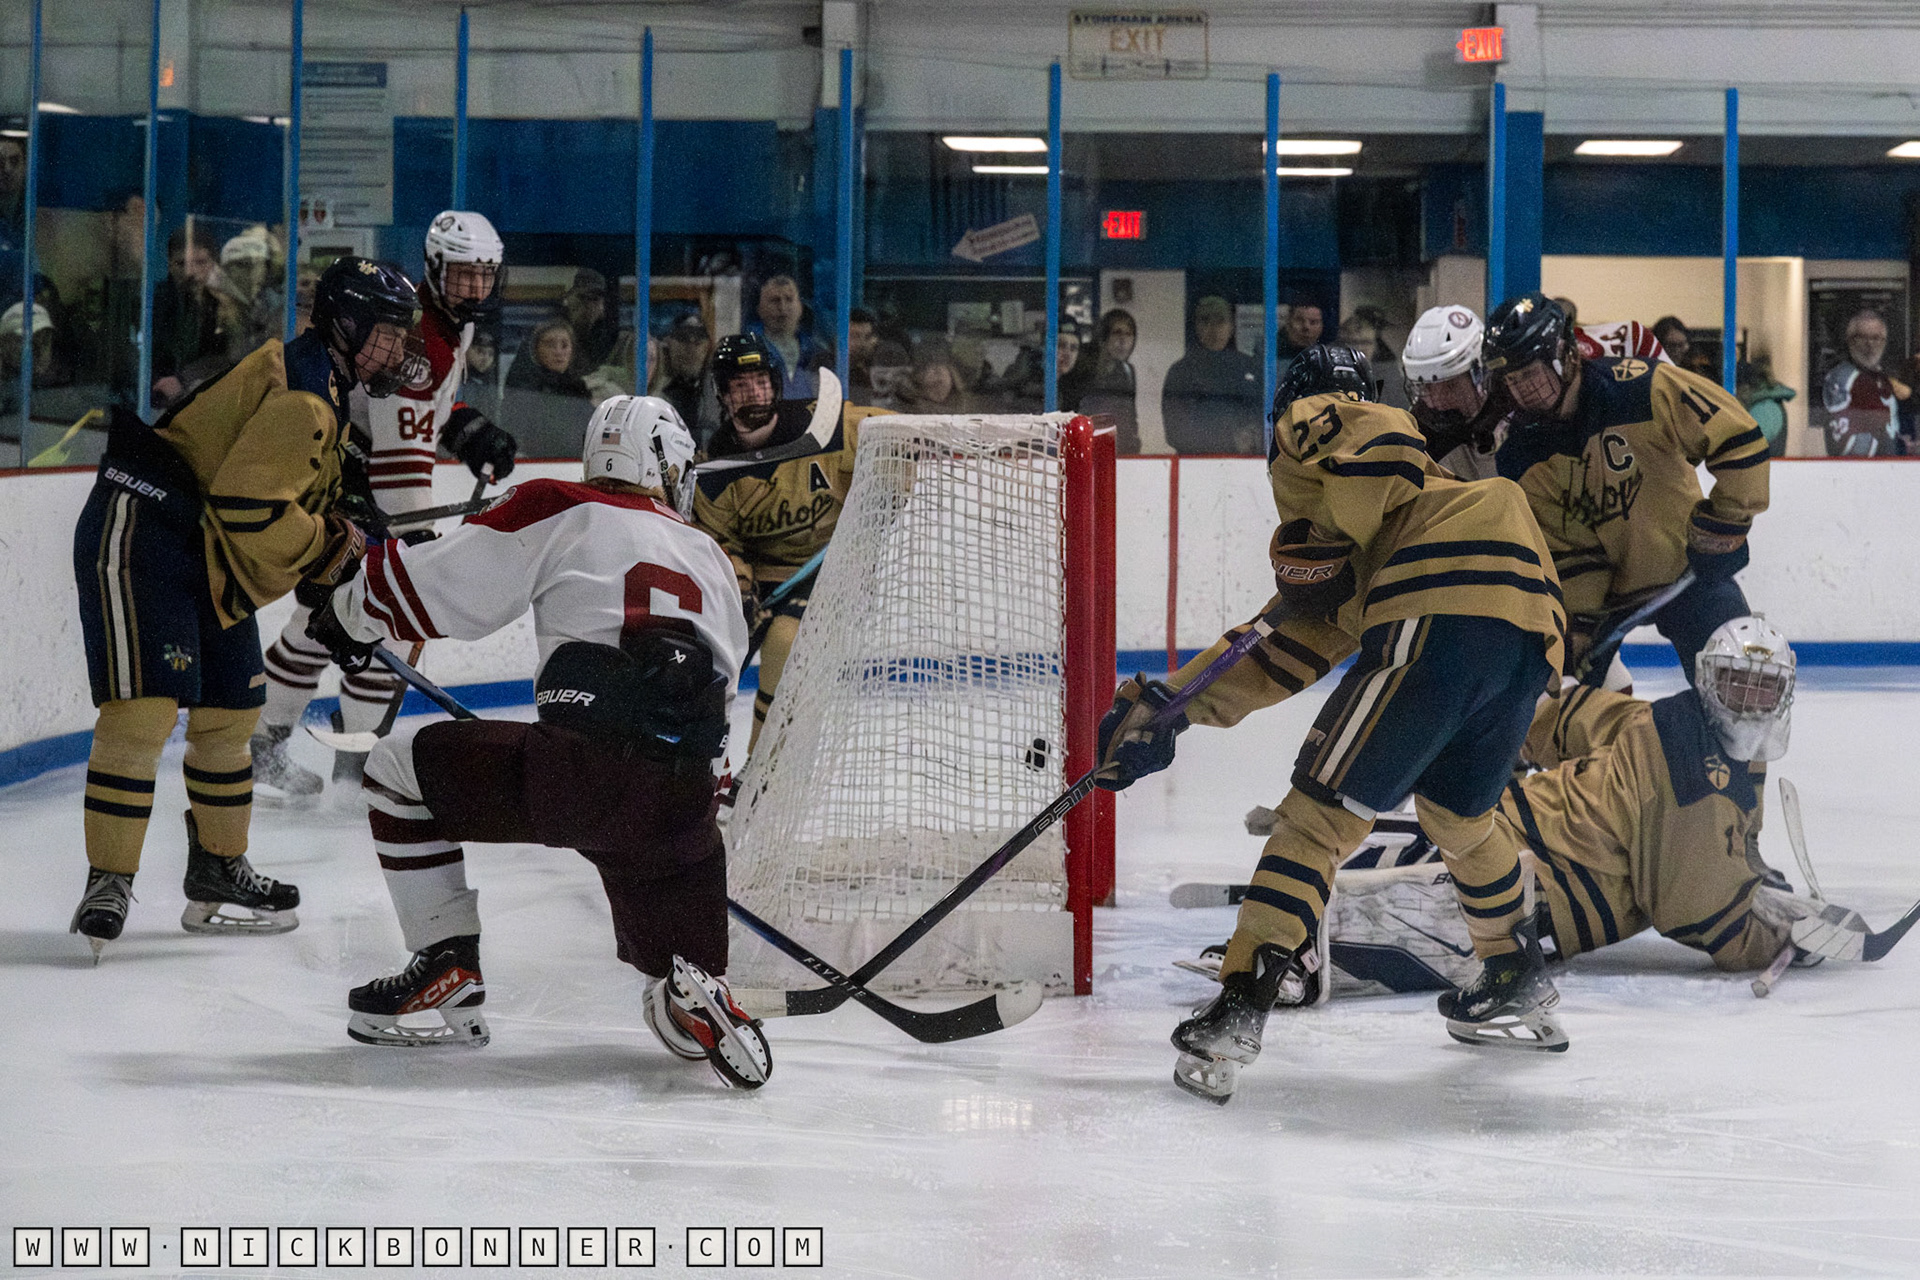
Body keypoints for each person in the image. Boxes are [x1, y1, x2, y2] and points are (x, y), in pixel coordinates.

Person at [1096, 345, 1569, 1103]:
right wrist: (1172, 707)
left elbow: (1380, 438)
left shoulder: (1327, 424)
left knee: (1316, 820)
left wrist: (1327, 524)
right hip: (1527, 628)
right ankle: (1516, 974)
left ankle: (1240, 1006)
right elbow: (1285, 646)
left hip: (1440, 599)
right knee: (1460, 817)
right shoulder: (1405, 521)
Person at [303, 396, 769, 1088]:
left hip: (576, 773)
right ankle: (689, 995)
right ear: (666, 466)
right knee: (675, 975)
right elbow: (723, 691)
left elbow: (438, 587)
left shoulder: (559, 503)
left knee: (396, 769)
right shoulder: (710, 556)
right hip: (683, 802)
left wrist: (349, 610)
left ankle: (446, 964)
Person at [66, 256, 420, 958]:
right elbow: (250, 509)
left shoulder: (324, 381)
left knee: (231, 714)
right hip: (144, 532)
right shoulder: (307, 398)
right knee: (142, 715)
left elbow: (286, 500)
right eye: (387, 333)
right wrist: (331, 549)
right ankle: (108, 880)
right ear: (347, 326)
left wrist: (339, 542)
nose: (397, 350)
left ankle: (218, 866)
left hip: (204, 547)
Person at [1223, 617, 1868, 1001]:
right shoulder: (1702, 786)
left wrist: (1754, 874)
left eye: (1762, 689)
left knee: (1425, 842)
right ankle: (1292, 938)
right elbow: (1699, 912)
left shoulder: (1663, 719)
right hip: (1535, 894)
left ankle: (1312, 861)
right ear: (1707, 679)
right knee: (1417, 928)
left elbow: (1559, 717)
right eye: (1737, 683)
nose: (1748, 703)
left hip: (1493, 822)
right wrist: (1783, 935)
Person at [253, 212, 518, 797]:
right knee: (381, 624)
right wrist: (418, 545)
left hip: (347, 477)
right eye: (463, 275)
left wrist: (468, 431)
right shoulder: (420, 340)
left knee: (332, 622)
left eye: (484, 275)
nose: (475, 288)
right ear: (435, 268)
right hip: (350, 486)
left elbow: (419, 415)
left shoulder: (441, 326)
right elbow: (399, 463)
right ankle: (353, 764)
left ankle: (280, 746)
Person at [1483, 293, 1769, 682]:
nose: (1524, 390)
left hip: (1687, 573)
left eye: (1531, 373)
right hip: (1609, 605)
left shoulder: (1642, 386)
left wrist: (1726, 522)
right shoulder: (1520, 453)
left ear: (1566, 354)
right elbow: (1567, 549)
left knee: (1741, 684)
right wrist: (1580, 623)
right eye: (1512, 380)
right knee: (1560, 696)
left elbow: (1738, 436)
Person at [692, 333, 882, 752]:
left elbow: (897, 434)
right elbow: (717, 541)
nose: (753, 394)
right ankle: (699, 770)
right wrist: (741, 587)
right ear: (722, 395)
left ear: (776, 385)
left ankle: (764, 765)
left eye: (760, 382)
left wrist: (894, 477)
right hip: (763, 579)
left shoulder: (827, 425)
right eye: (740, 385)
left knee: (785, 642)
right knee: (705, 666)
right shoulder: (716, 467)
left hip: (831, 569)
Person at [1160, 296, 1263, 455]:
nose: (1213, 328)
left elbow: (1263, 418)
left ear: (1232, 326)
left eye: (1220, 321)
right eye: (1205, 320)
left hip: (1245, 462)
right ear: (1196, 326)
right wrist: (1230, 440)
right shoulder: (1181, 371)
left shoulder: (1250, 367)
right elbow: (1175, 431)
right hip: (1196, 463)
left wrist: (1253, 438)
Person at [150, 221, 232, 408]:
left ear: (214, 263)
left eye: (200, 262)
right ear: (169, 264)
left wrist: (184, 378)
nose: (190, 272)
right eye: (181, 263)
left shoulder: (226, 304)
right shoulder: (155, 300)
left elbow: (230, 355)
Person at [1820, 308, 1910, 457]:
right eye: (1862, 337)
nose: (1870, 344)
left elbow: (1888, 429)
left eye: (1876, 338)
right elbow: (1844, 445)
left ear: (1884, 342)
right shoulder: (1841, 379)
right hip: (1860, 469)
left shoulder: (1882, 380)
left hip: (1888, 468)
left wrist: (1903, 445)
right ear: (1850, 340)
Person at [503, 317, 595, 458]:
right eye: (550, 345)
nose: (558, 352)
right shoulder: (523, 389)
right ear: (535, 350)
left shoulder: (581, 390)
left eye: (564, 345)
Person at [1063, 309, 1141, 453]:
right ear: (1104, 336)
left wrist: (1132, 446)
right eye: (1117, 333)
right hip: (1083, 451)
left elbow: (1129, 418)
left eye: (1129, 334)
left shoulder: (1127, 371)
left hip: (1119, 453)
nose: (1123, 341)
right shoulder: (1080, 366)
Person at [748, 274, 833, 400]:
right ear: (759, 308)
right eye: (775, 300)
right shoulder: (749, 348)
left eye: (789, 299)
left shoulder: (816, 352)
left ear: (800, 307)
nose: (782, 308)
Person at [656, 311, 711, 433]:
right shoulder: (655, 389)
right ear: (668, 343)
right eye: (683, 339)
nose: (691, 348)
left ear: (707, 346)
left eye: (698, 342)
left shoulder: (715, 393)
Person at [561, 268, 619, 372]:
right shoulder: (553, 330)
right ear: (567, 298)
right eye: (582, 298)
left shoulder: (608, 338)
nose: (588, 305)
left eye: (594, 299)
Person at [1274, 298, 1324, 381]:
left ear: (1321, 327)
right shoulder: (1270, 354)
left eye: (1313, 322)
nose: (1306, 327)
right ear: (1288, 323)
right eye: (1299, 320)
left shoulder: (1325, 360)